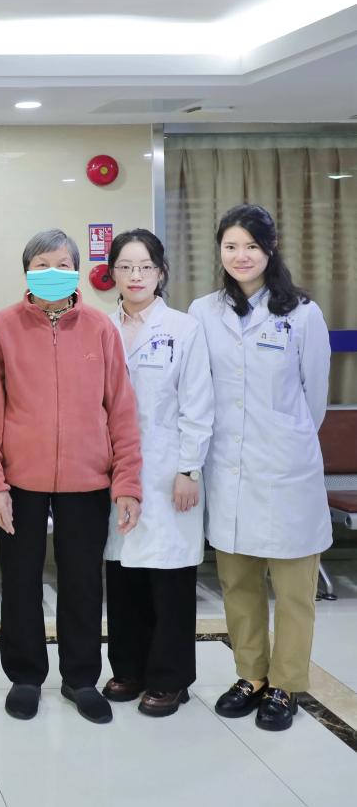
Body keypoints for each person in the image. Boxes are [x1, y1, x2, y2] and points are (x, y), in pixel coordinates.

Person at [0, 228, 142, 725]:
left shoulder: (100, 328)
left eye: (62, 264)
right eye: (41, 265)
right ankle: (25, 677)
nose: (52, 273)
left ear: (76, 271)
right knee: (20, 582)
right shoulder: (3, 327)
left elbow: (122, 410)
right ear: (27, 272)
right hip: (20, 481)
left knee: (83, 583)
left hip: (88, 480)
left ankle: (80, 678)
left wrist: (127, 483)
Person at [189, 204, 332, 732]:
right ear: (220, 252)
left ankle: (286, 684)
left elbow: (314, 400)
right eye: (231, 246)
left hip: (287, 471)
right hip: (229, 469)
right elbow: (200, 388)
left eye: (251, 246)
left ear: (270, 250)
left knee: (293, 590)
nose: (241, 256)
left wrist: (283, 440)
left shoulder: (303, 314)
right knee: (238, 583)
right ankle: (250, 675)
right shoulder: (203, 312)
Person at [100, 229, 214, 718]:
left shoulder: (183, 329)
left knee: (169, 578)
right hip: (112, 471)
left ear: (161, 272)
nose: (135, 276)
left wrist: (189, 468)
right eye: (125, 266)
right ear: (112, 274)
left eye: (145, 266)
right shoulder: (100, 327)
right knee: (122, 573)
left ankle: (170, 679)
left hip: (169, 469)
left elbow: (198, 404)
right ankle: (128, 669)